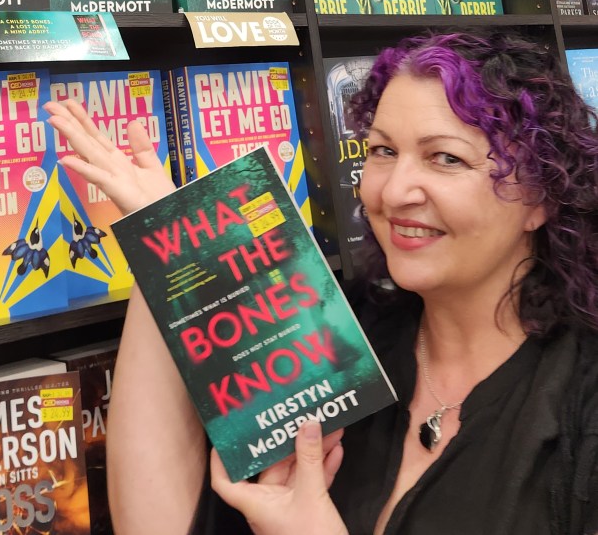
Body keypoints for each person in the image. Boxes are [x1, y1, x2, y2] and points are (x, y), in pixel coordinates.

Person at [45, 29, 598, 535]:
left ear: (542, 196)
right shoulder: (328, 330)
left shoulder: (579, 396)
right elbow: (158, 523)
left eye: (445, 158)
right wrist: (169, 236)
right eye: (383, 150)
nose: (394, 190)